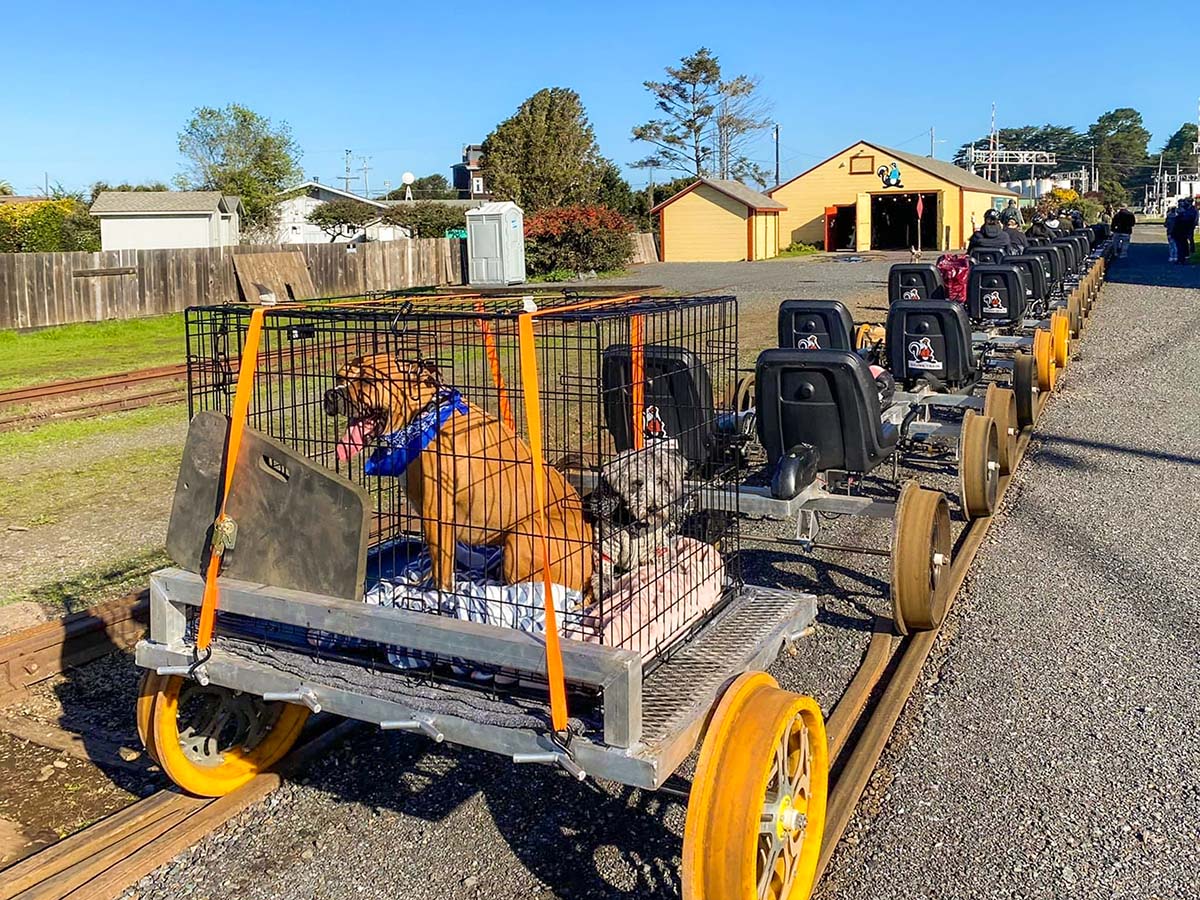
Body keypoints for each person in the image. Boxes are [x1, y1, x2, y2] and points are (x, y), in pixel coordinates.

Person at [1171, 198, 1197, 265]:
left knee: (1181, 245)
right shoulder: (1186, 213)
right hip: (1182, 231)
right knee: (1181, 245)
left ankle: (1182, 258)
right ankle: (1182, 258)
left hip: (1182, 231)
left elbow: (1191, 220)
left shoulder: (1189, 212)